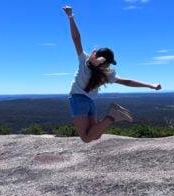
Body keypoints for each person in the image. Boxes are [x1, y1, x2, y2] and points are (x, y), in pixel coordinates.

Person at [63, 6, 162, 143]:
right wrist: (149, 85)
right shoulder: (106, 73)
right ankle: (112, 115)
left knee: (86, 138)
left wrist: (70, 16)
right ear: (107, 62)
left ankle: (112, 116)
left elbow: (76, 38)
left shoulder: (85, 61)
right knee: (95, 135)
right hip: (90, 102)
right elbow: (127, 82)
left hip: (78, 100)